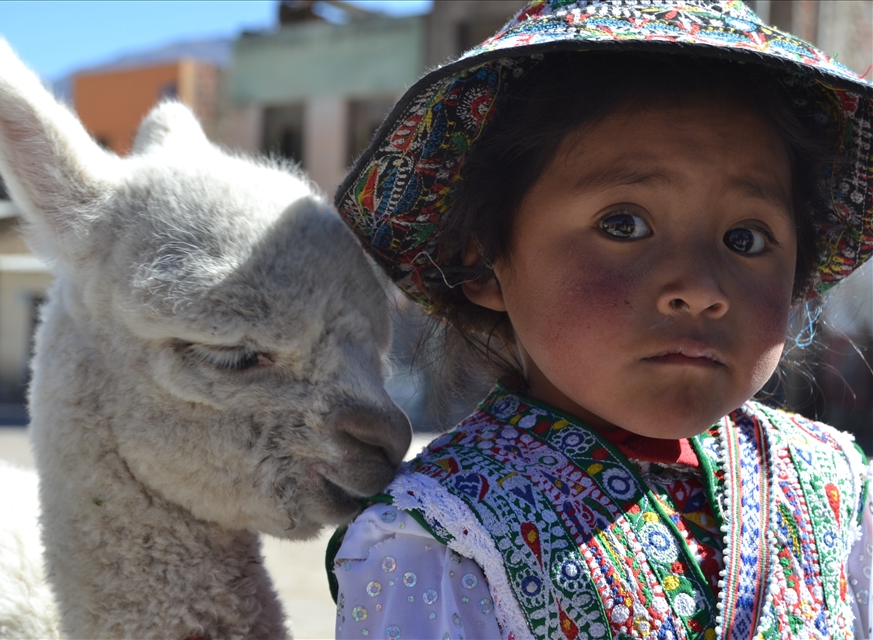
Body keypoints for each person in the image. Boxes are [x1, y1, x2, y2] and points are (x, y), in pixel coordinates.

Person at [328, 1, 873, 638]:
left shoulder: (837, 490)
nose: (699, 290)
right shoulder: (439, 537)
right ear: (482, 257)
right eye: (624, 225)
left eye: (746, 239)